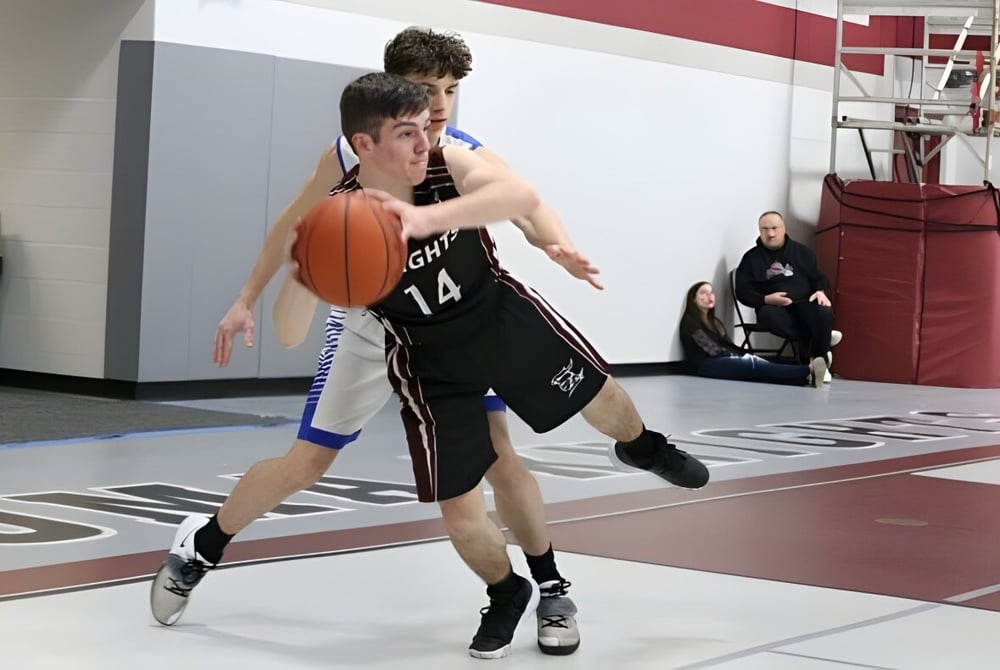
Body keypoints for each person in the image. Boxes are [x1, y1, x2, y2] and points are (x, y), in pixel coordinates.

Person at [150, 28, 594, 658]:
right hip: (369, 326)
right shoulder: (347, 154)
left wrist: (555, 243)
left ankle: (550, 588)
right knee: (307, 460)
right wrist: (246, 296)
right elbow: (293, 225)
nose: (440, 104)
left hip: (449, 329)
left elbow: (525, 204)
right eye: (424, 90)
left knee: (500, 453)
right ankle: (203, 547)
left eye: (450, 91)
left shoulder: (461, 151)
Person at [278, 71, 709, 659]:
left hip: (497, 317)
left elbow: (521, 198)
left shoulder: (446, 163)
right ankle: (508, 592)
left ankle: (642, 448)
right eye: (406, 129)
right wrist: (304, 279)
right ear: (364, 144)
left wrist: (435, 221)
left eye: (433, 112)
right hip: (426, 359)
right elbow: (289, 325)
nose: (424, 136)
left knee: (602, 399)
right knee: (460, 511)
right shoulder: (337, 218)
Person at [734, 211, 843, 388]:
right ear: (759, 230)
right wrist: (766, 299)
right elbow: (743, 292)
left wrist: (821, 291)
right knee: (769, 315)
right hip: (772, 308)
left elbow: (819, 278)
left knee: (824, 311)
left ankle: (819, 358)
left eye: (774, 228)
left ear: (784, 229)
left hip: (804, 304)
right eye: (765, 229)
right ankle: (820, 345)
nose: (770, 234)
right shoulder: (750, 259)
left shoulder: (803, 253)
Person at [680, 282, 811, 385]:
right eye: (703, 293)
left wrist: (743, 355)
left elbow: (727, 345)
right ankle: (809, 370)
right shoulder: (690, 323)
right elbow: (711, 349)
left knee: (759, 367)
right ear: (693, 299)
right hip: (705, 365)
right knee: (753, 366)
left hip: (718, 360)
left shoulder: (714, 322)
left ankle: (806, 377)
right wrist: (738, 357)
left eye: (711, 292)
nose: (709, 296)